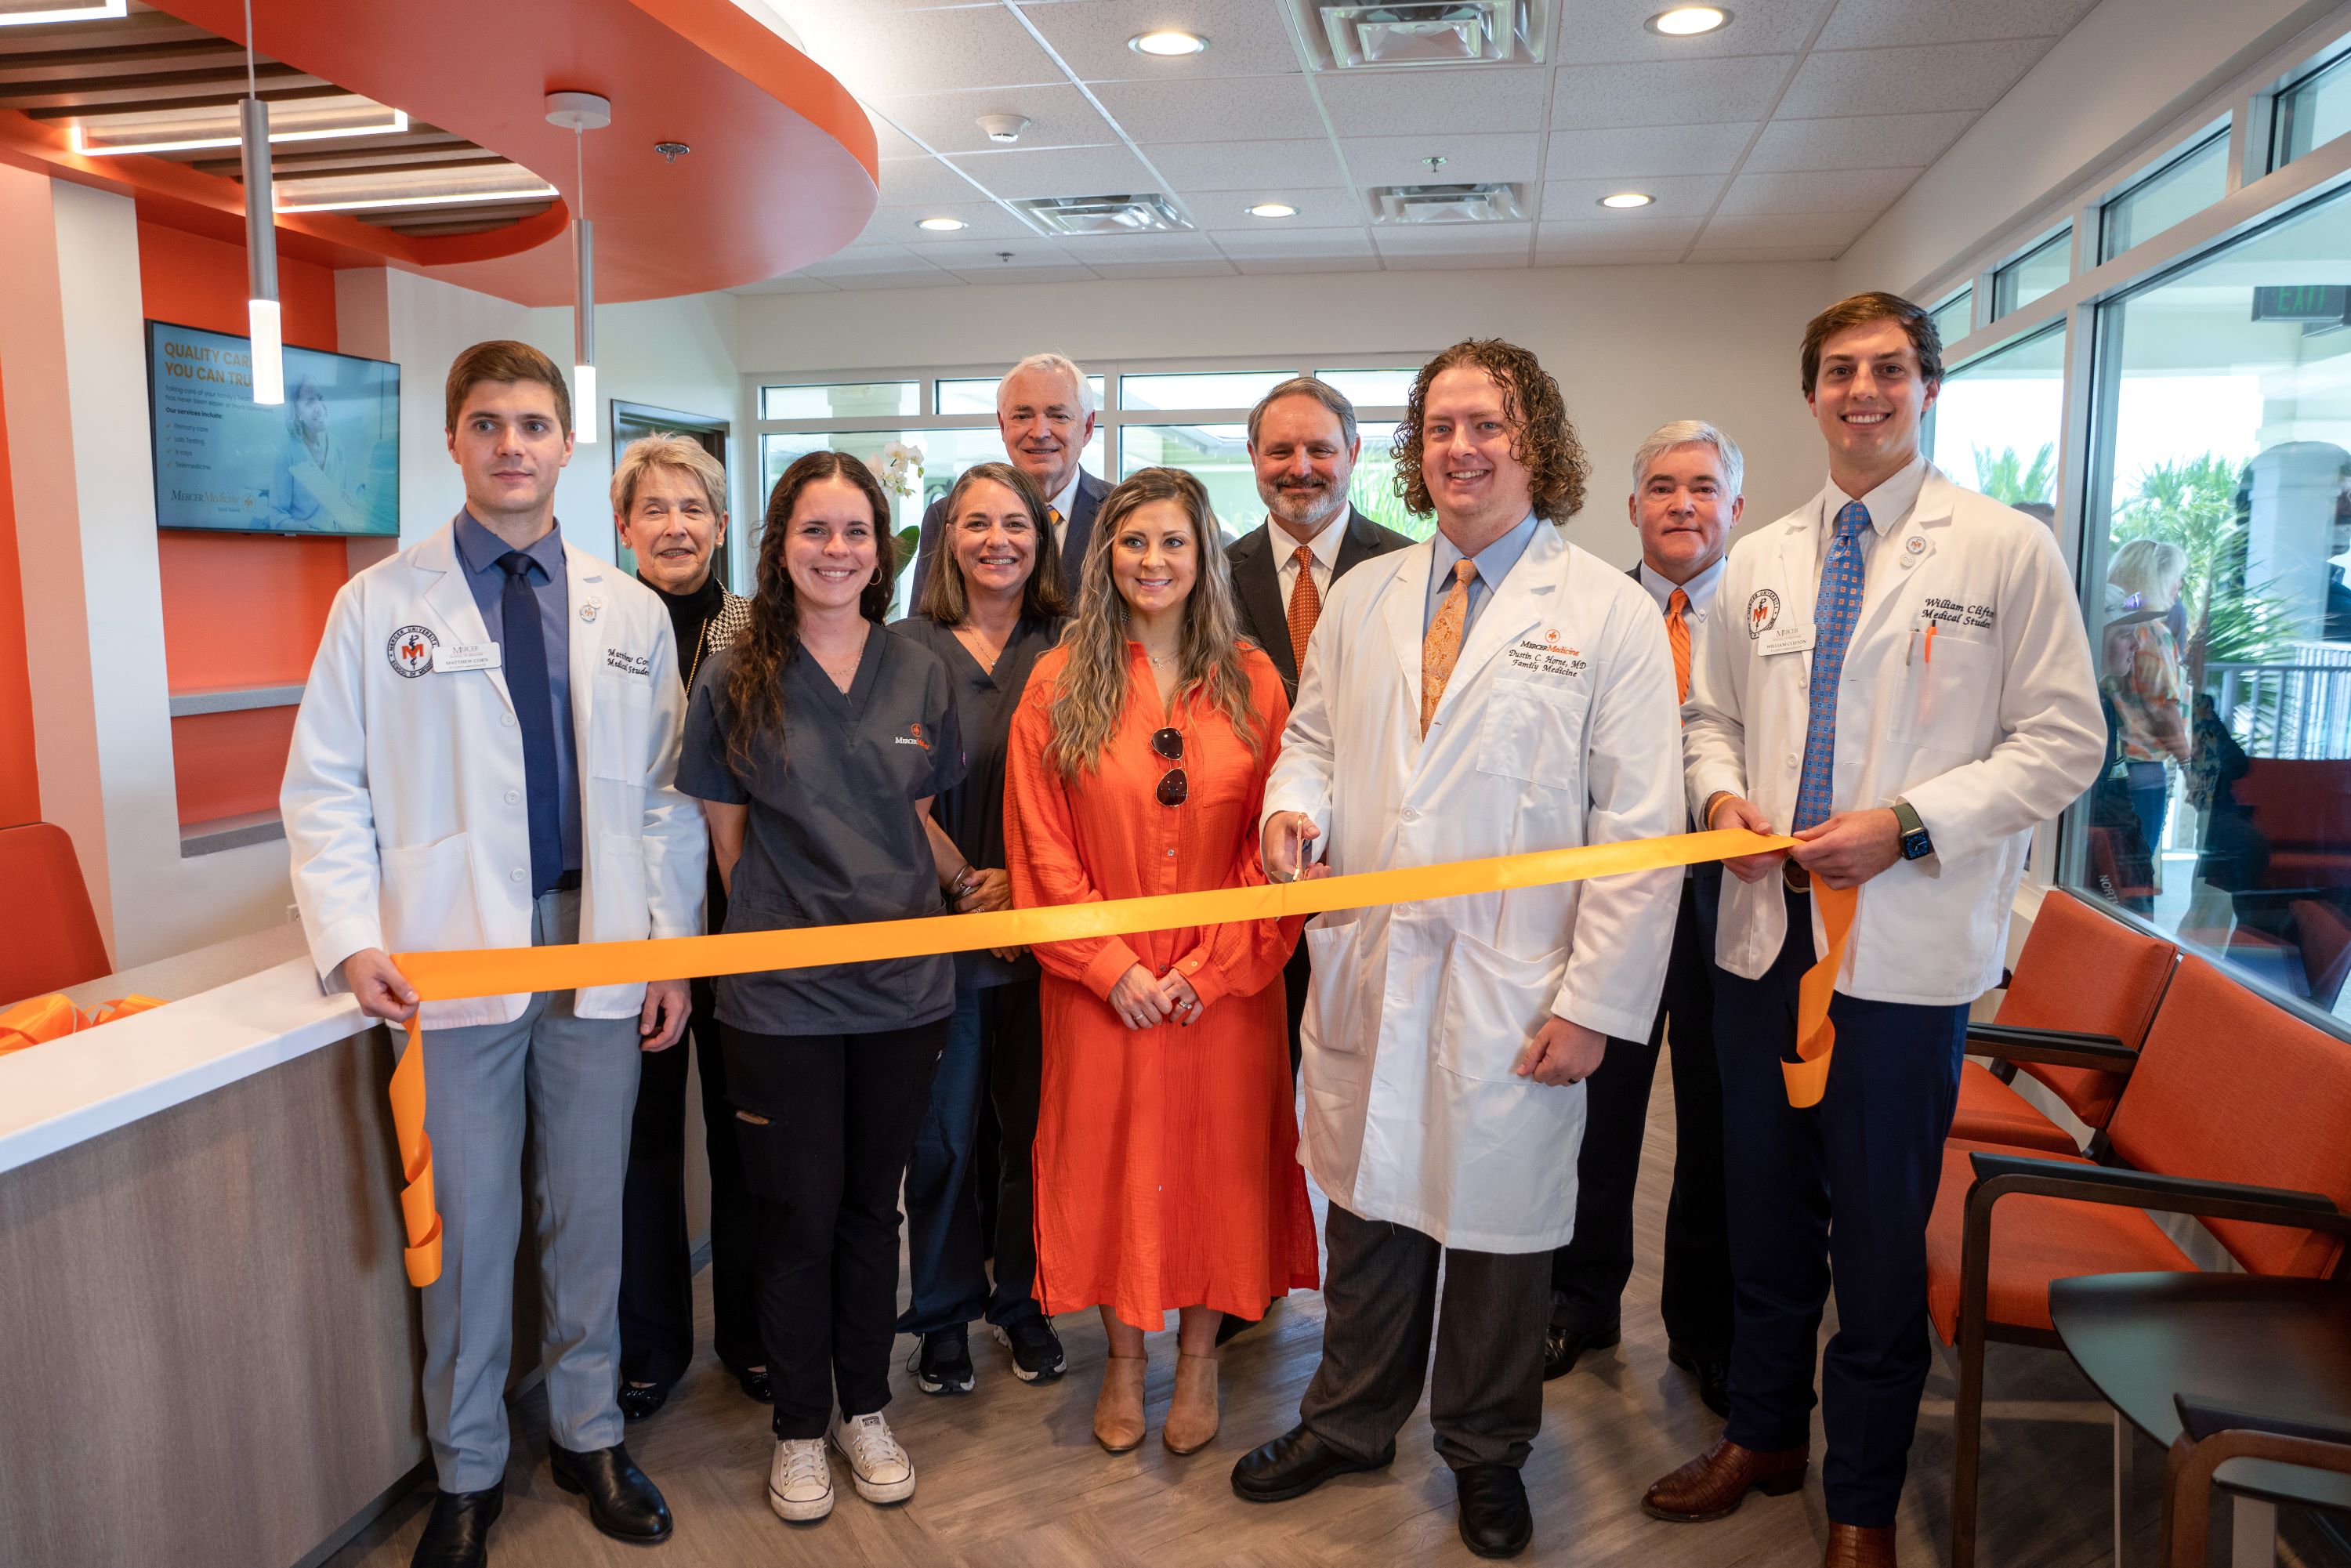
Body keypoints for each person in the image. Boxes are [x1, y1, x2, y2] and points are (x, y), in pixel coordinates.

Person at [1654, 292, 2103, 1568]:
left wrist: (1905, 824)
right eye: (1841, 370)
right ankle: (1763, 1435)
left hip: (1901, 967)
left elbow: (2068, 740)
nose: (1864, 389)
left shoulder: (2003, 550)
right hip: (1761, 944)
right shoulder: (1761, 559)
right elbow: (1709, 719)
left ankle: (1860, 1499)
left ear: (1927, 387)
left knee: (1880, 1237)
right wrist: (1723, 796)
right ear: (1810, 396)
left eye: (1890, 369)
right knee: (1763, 1212)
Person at [1234, 340, 1683, 1561]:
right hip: (1377, 955)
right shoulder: (1372, 595)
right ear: (1415, 449)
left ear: (1534, 438)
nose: (1461, 448)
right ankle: (1349, 1419)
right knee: (1370, 1202)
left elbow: (1641, 833)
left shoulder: (1607, 613)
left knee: (1499, 1227)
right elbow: (1315, 741)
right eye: (1439, 427)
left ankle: (1485, 1452)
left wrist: (1594, 1000)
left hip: (1516, 976)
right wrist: (1296, 811)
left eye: (1486, 424)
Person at [281, 340, 701, 1568]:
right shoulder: (378, 605)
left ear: (568, 444)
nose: (511, 443)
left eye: (532, 422)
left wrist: (668, 953)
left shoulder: (625, 610)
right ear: (455, 444)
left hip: (598, 944)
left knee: (590, 1214)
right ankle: (466, 1467)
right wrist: (352, 938)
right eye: (486, 423)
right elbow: (324, 791)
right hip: (452, 963)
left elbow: (664, 801)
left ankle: (586, 1434)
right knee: (467, 1231)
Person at [674, 450, 965, 1527]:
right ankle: (798, 1427)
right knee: (793, 1215)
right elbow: (726, 831)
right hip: (782, 995)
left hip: (904, 991)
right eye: (814, 531)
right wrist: (774, 932)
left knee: (867, 1210)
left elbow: (916, 815)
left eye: (854, 532)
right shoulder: (735, 665)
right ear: (781, 542)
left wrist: (967, 885)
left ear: (882, 546)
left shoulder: (918, 668)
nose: (835, 551)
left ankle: (864, 1409)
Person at [1003, 465, 1317, 1459]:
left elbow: (1273, 846)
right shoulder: (1058, 684)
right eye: (1133, 542)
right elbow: (1039, 845)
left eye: (1173, 542)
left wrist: (1212, 969)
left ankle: (1200, 1361)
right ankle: (1125, 1363)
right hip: (1104, 994)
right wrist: (1110, 968)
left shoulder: (1257, 681)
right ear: (1106, 559)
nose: (1153, 561)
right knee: (1111, 1169)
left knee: (1219, 1171)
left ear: (1203, 556)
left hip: (1223, 993)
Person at [1545, 421, 1743, 1416]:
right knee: (1599, 1111)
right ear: (1630, 508)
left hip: (1725, 906)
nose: (1680, 505)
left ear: (1733, 509)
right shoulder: (1587, 612)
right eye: (1660, 486)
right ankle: (1580, 1299)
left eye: (1702, 487)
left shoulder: (1759, 618)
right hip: (1610, 900)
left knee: (1713, 1123)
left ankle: (1704, 1329)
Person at [889, 461, 1072, 1396]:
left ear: (1042, 541)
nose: (997, 539)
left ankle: (1025, 1303)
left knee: (1035, 1131)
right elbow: (891, 790)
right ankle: (946, 1314)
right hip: (939, 930)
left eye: (1017, 524)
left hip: (1051, 935)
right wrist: (970, 885)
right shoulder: (902, 650)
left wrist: (1027, 889)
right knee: (946, 1136)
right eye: (975, 523)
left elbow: (1095, 792)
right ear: (945, 536)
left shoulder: (1075, 643)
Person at [608, 434, 765, 1423]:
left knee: (747, 1140)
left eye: (693, 508)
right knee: (642, 1142)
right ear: (624, 527)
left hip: (745, 920)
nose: (675, 526)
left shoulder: (759, 629)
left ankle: (751, 1338)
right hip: (632, 927)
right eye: (654, 509)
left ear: (719, 523)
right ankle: (649, 1349)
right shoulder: (595, 623)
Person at [1225, 375, 1414, 1088]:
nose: (1300, 466)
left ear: (1355, 451)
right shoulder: (1208, 576)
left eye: (1319, 448)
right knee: (1253, 1086)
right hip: (1243, 865)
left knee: (1364, 1086)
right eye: (1280, 449)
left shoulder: (1411, 571)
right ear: (1252, 455)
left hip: (1370, 865)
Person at [907, 353, 1107, 606]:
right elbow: (927, 624)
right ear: (1003, 426)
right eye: (1022, 416)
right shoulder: (947, 515)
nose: (1040, 432)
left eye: (1059, 416)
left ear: (1087, 427)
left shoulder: (1119, 512)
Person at [2099, 538, 2192, 864]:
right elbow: (2163, 709)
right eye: (2177, 577)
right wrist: (2189, 766)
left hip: (2112, 762)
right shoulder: (2151, 631)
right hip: (2143, 768)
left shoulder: (2111, 623)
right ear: (2160, 578)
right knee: (2134, 869)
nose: (2179, 585)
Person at [265, 370, 368, 531]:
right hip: (299, 546)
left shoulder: (337, 446)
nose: (319, 408)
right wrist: (305, 529)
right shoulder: (286, 449)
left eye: (320, 398)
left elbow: (342, 510)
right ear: (297, 411)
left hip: (336, 545)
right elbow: (277, 517)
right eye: (310, 402)